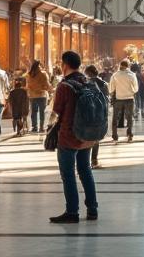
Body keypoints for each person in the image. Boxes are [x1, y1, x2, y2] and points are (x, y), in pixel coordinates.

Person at [50, 51, 98, 224]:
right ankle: (92, 209)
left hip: (69, 135)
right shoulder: (88, 82)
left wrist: (49, 128)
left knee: (68, 174)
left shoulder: (65, 86)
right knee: (85, 170)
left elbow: (56, 111)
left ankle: (72, 212)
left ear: (65, 64)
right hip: (87, 134)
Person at [84, 65, 108, 168]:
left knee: (85, 137)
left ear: (88, 73)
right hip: (100, 114)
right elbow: (106, 99)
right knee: (96, 138)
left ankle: (84, 161)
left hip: (88, 113)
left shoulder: (85, 84)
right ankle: (94, 161)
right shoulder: (103, 84)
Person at [109, 59, 137, 143]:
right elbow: (136, 88)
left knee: (115, 117)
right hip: (129, 98)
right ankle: (129, 134)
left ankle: (115, 135)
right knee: (129, 117)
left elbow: (111, 88)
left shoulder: (115, 75)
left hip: (119, 99)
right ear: (128, 66)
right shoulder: (132, 75)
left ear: (120, 65)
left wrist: (113, 94)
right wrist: (131, 92)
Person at [26, 60, 51, 133]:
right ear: (39, 66)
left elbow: (28, 85)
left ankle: (34, 127)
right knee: (42, 112)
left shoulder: (29, 74)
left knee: (33, 112)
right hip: (42, 95)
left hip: (32, 96)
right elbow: (47, 84)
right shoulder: (43, 74)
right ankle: (41, 127)